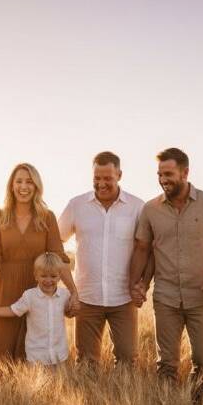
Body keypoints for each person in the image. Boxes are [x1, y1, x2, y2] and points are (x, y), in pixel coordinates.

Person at [128, 148, 203, 395]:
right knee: (166, 364)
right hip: (165, 296)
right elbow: (143, 249)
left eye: (168, 173)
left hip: (201, 297)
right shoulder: (150, 209)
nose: (163, 179)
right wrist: (137, 284)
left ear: (185, 172)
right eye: (159, 174)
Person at [0, 162, 78, 370]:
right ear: (11, 185)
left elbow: (59, 257)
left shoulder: (46, 217)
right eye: (19, 181)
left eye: (29, 181)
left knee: (34, 343)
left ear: (37, 186)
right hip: (5, 287)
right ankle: (0, 392)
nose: (24, 186)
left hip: (37, 287)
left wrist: (74, 292)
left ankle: (32, 390)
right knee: (1, 342)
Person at [58, 151, 145, 367]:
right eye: (97, 178)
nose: (101, 183)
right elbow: (55, 241)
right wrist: (66, 282)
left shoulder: (137, 207)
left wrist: (142, 283)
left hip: (123, 298)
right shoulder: (76, 205)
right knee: (87, 363)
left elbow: (146, 248)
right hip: (87, 297)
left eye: (108, 178)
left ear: (120, 175)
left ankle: (122, 401)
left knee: (127, 360)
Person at [0, 252, 72, 367]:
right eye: (43, 276)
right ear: (36, 276)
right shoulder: (30, 296)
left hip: (59, 354)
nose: (48, 280)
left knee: (61, 383)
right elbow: (13, 310)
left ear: (59, 276)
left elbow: (71, 311)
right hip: (36, 356)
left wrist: (74, 304)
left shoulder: (65, 295)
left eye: (53, 276)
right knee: (38, 384)